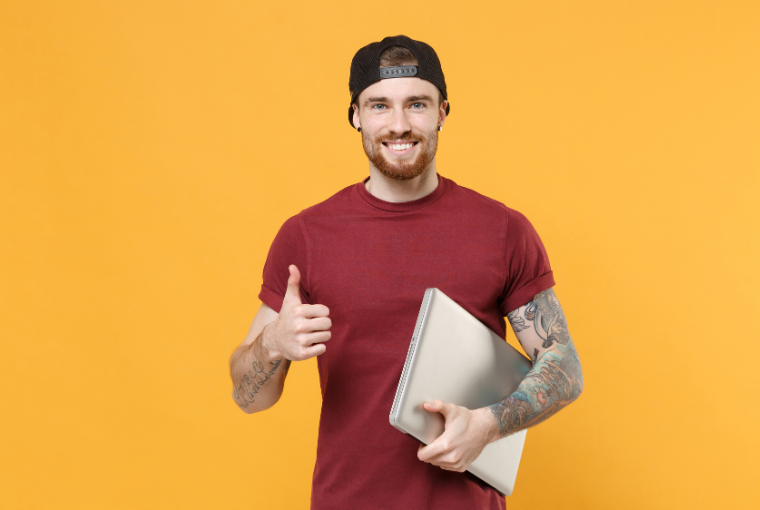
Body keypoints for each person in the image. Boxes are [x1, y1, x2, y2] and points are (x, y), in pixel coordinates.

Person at [229, 35, 584, 510]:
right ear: (356, 115)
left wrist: (489, 424)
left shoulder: (503, 231)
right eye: (380, 106)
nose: (399, 126)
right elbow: (249, 398)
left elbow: (564, 369)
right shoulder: (306, 237)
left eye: (417, 104)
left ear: (442, 112)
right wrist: (273, 343)